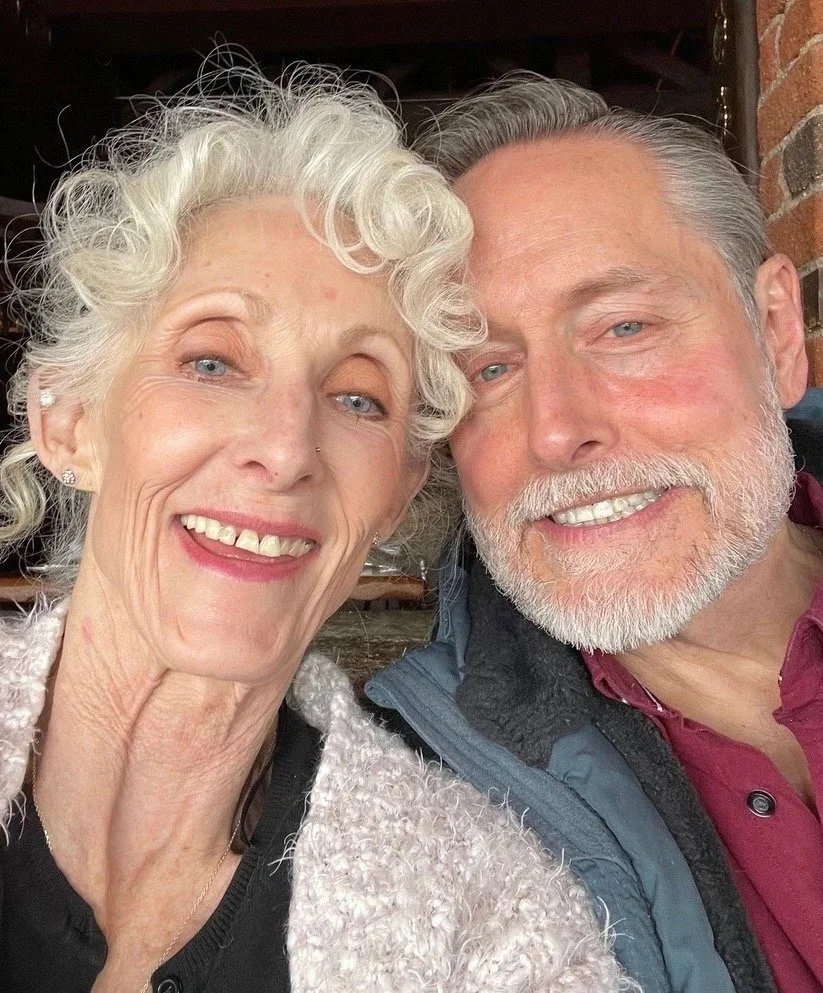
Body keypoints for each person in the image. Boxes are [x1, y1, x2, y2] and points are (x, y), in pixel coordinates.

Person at [0, 61, 631, 993]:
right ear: (70, 420)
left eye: (358, 396)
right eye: (212, 362)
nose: (286, 448)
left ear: (399, 489)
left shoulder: (486, 914)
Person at [367, 74, 823, 993]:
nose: (555, 430)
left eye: (622, 327)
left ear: (775, 332)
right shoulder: (411, 790)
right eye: (487, 369)